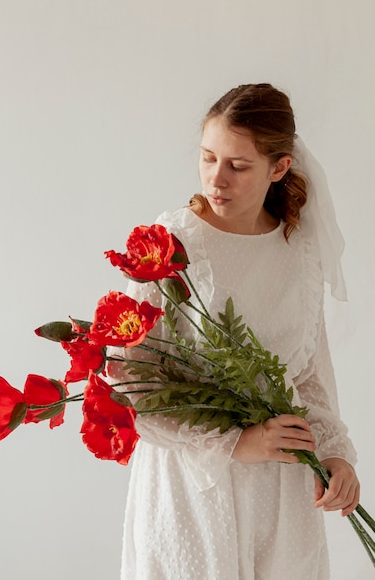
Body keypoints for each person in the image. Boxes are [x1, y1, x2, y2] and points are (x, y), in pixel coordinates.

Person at [108, 83, 359, 580]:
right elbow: (129, 380)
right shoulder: (169, 245)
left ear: (279, 168)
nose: (215, 179)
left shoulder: (299, 253)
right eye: (207, 158)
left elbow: (309, 374)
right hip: (192, 487)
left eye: (237, 166)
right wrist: (234, 443)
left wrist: (336, 456)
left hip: (281, 492)